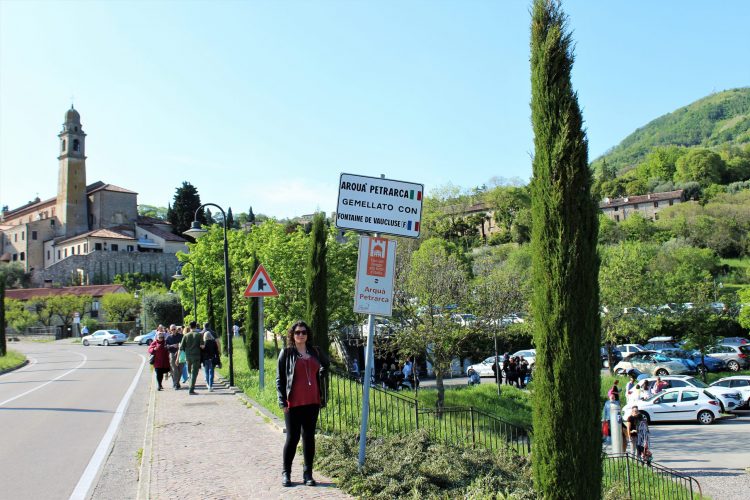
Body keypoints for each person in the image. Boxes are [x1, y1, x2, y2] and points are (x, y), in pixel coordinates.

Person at [276, 320, 330, 488]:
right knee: (292, 438)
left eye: (304, 332)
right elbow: (280, 379)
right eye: (297, 332)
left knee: (309, 438)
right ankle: (286, 473)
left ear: (308, 335)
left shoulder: (315, 351)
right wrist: (282, 400)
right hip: (293, 402)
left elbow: (326, 366)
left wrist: (322, 370)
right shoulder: (286, 353)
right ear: (292, 335)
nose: (301, 335)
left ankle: (308, 474)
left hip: (312, 401)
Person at [179, 321, 204, 395]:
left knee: (189, 372)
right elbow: (202, 346)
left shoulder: (186, 335)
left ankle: (190, 387)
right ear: (196, 326)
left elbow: (181, 347)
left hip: (188, 356)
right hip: (196, 356)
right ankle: (191, 389)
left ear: (190, 327)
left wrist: (178, 358)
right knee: (194, 373)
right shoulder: (199, 335)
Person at [202, 327, 220, 392]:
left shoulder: (204, 343)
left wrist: (201, 360)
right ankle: (211, 385)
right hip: (212, 359)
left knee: (206, 372)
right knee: (211, 373)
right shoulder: (214, 342)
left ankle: (208, 385)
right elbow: (216, 352)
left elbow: (202, 353)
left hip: (205, 359)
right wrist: (218, 360)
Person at [165, 324, 184, 390]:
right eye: (172, 329)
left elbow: (185, 344)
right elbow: (165, 347)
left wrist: (179, 346)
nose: (173, 330)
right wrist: (172, 345)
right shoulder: (168, 338)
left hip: (181, 354)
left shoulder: (181, 336)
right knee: (175, 369)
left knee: (180, 370)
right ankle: (176, 384)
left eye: (174, 329)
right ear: (170, 330)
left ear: (176, 329)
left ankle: (176, 382)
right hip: (172, 354)